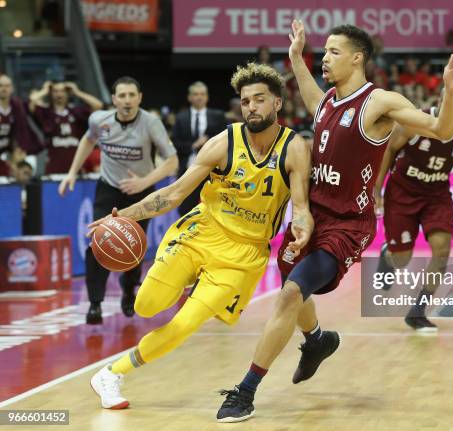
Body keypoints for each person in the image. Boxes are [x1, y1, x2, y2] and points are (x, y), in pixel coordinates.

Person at [216, 20, 453, 422]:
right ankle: (317, 340)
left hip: (348, 225)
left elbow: (441, 128)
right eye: (324, 52)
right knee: (292, 289)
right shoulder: (326, 102)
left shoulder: (380, 103)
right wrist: (296, 55)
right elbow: (305, 85)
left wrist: (450, 91)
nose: (325, 58)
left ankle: (245, 391)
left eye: (333, 52)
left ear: (357, 58)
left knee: (290, 294)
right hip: (310, 219)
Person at [87, 63, 313, 411]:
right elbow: (175, 193)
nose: (252, 106)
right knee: (147, 305)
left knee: (185, 323)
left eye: (260, 100)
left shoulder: (294, 148)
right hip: (200, 233)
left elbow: (299, 205)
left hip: (244, 253)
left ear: (277, 104)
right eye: (246, 101)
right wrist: (123, 215)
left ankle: (110, 374)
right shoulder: (225, 142)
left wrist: (302, 225)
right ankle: (187, 275)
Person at [58, 76, 178, 324]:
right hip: (109, 188)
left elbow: (172, 161)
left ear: (140, 98)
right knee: (97, 242)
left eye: (132, 95)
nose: (127, 100)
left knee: (134, 248)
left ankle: (129, 289)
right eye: (121, 96)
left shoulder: (151, 123)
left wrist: (144, 182)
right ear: (114, 100)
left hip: (140, 192)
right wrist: (71, 172)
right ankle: (94, 303)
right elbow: (88, 140)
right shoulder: (99, 120)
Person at [374, 89, 453, 332]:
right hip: (403, 193)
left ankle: (417, 312)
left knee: (442, 250)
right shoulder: (415, 121)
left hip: (437, 195)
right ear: (440, 101)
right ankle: (389, 253)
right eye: (449, 98)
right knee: (401, 258)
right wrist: (377, 189)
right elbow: (388, 151)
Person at [172, 82, 227, 215]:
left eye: (202, 94)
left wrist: (209, 144)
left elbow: (227, 142)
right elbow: (175, 144)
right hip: (188, 170)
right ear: (189, 97)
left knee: (214, 210)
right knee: (185, 209)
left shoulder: (218, 116)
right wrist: (193, 145)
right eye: (195, 94)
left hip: (214, 171)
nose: (199, 97)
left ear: (207, 97)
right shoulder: (180, 118)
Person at [29, 81, 103, 174]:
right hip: (54, 169)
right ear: (51, 93)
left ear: (67, 93)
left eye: (62, 91)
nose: (59, 94)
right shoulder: (46, 113)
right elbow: (31, 102)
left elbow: (98, 105)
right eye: (55, 91)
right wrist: (45, 90)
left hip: (76, 170)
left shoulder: (75, 111)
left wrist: (77, 92)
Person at [0, 74, 38, 176]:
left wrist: (19, 150)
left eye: (7, 86)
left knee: (22, 172)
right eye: (1, 86)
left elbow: (21, 130)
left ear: (12, 88)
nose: (4, 89)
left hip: (6, 150)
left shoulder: (16, 105)